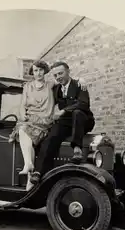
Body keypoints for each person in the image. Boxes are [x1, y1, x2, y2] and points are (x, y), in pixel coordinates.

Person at [8, 60, 88, 191]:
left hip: (45, 121)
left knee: (34, 135)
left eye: (40, 70)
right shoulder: (27, 86)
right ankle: (30, 168)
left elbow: (66, 81)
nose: (38, 73)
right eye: (35, 70)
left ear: (45, 71)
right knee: (23, 131)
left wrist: (81, 79)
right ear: (32, 73)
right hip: (30, 120)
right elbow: (22, 105)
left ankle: (33, 172)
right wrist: (23, 117)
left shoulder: (52, 85)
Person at [29, 61, 95, 186]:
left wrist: (63, 111)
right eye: (55, 75)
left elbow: (83, 104)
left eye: (61, 73)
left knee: (77, 113)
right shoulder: (56, 88)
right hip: (66, 122)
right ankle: (38, 172)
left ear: (68, 71)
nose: (58, 77)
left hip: (84, 120)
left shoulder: (79, 85)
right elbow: (43, 95)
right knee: (52, 136)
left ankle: (77, 148)